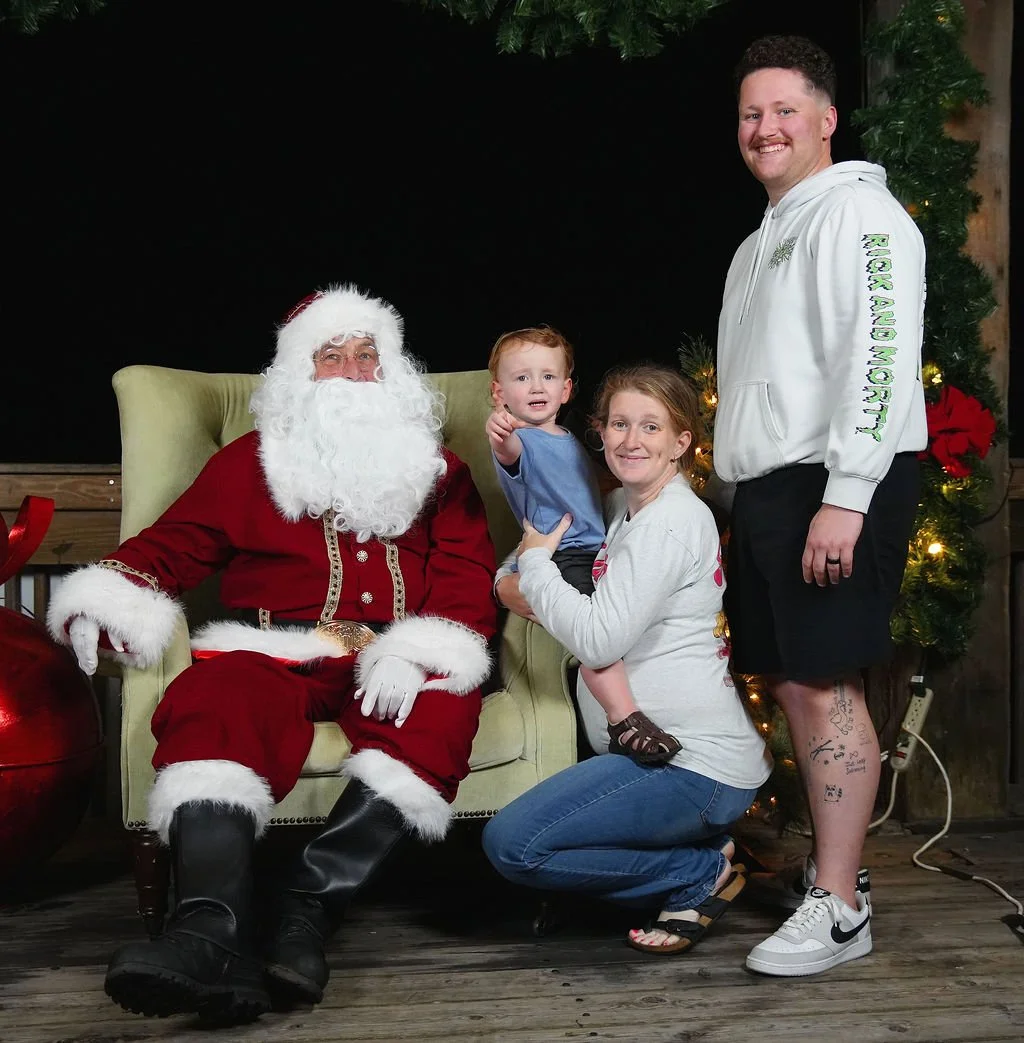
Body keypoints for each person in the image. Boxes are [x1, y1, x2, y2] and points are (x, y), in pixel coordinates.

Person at [48, 284, 497, 1021]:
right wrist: (105, 594)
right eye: (332, 355)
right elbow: (174, 545)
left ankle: (305, 913)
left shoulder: (438, 471)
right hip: (278, 648)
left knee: (441, 711)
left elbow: (466, 574)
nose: (353, 371)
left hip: (391, 656)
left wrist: (419, 652)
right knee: (212, 699)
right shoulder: (250, 463)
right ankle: (209, 931)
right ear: (299, 372)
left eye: (367, 355)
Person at [713, 35, 927, 976]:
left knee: (826, 681)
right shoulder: (758, 242)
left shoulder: (862, 216)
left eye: (785, 110)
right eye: (751, 114)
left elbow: (880, 357)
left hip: (834, 480)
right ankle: (836, 879)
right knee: (796, 683)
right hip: (772, 486)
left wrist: (846, 496)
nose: (765, 128)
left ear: (827, 119)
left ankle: (840, 907)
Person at [483, 364, 772, 955]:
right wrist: (510, 577)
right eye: (619, 424)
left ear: (681, 441)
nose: (631, 440)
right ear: (600, 432)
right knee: (527, 841)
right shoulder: (619, 506)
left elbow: (596, 640)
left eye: (650, 427)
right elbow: (527, 549)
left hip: (691, 765)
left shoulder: (668, 523)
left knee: (515, 845)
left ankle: (697, 874)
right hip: (649, 758)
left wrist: (533, 568)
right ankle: (707, 853)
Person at [486, 326, 679, 764]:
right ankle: (623, 719)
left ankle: (639, 706)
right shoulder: (521, 440)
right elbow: (507, 449)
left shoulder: (565, 437)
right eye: (522, 378)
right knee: (595, 632)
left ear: (567, 388)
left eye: (548, 377)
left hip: (594, 548)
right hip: (564, 553)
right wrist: (499, 431)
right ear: (499, 392)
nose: (537, 387)